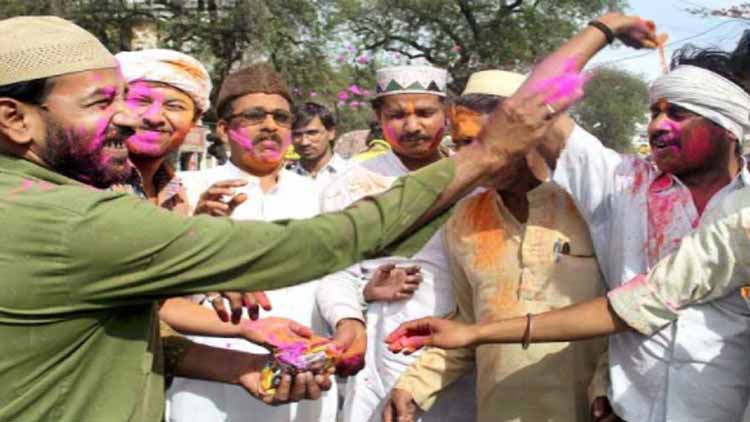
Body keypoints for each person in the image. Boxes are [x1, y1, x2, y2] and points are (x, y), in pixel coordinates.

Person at [0, 16, 566, 421]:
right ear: (15, 119)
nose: (128, 118)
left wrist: (235, 364)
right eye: (102, 103)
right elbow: (322, 243)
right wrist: (485, 155)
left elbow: (120, 337)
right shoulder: (70, 219)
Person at [391, 12, 750, 422]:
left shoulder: (744, 213)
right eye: (654, 113)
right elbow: (530, 100)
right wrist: (605, 28)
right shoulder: (619, 185)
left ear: (729, 124)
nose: (657, 127)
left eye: (678, 114)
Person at [383, 70, 607, 422]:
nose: (471, 157)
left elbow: (630, 307)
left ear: (528, 135)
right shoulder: (464, 219)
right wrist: (414, 384)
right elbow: (468, 323)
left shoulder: (590, 206)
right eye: (460, 144)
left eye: (482, 141)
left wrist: (609, 382)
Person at [167, 63, 337, 422]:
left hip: (302, 379)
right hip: (212, 380)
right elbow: (165, 296)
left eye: (281, 117)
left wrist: (355, 313)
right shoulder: (186, 189)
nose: (270, 126)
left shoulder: (322, 194)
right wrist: (197, 231)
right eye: (255, 116)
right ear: (225, 130)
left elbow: (336, 280)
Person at [316, 65, 475, 422]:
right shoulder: (353, 185)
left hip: (461, 353)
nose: (413, 125)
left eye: (425, 113)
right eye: (398, 115)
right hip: (383, 349)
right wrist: (354, 307)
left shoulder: (474, 181)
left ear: (448, 115)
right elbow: (333, 271)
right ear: (378, 117)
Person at [288, 101, 351, 190]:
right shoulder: (282, 180)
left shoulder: (352, 174)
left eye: (312, 133)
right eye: (297, 135)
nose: (304, 142)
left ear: (331, 133)